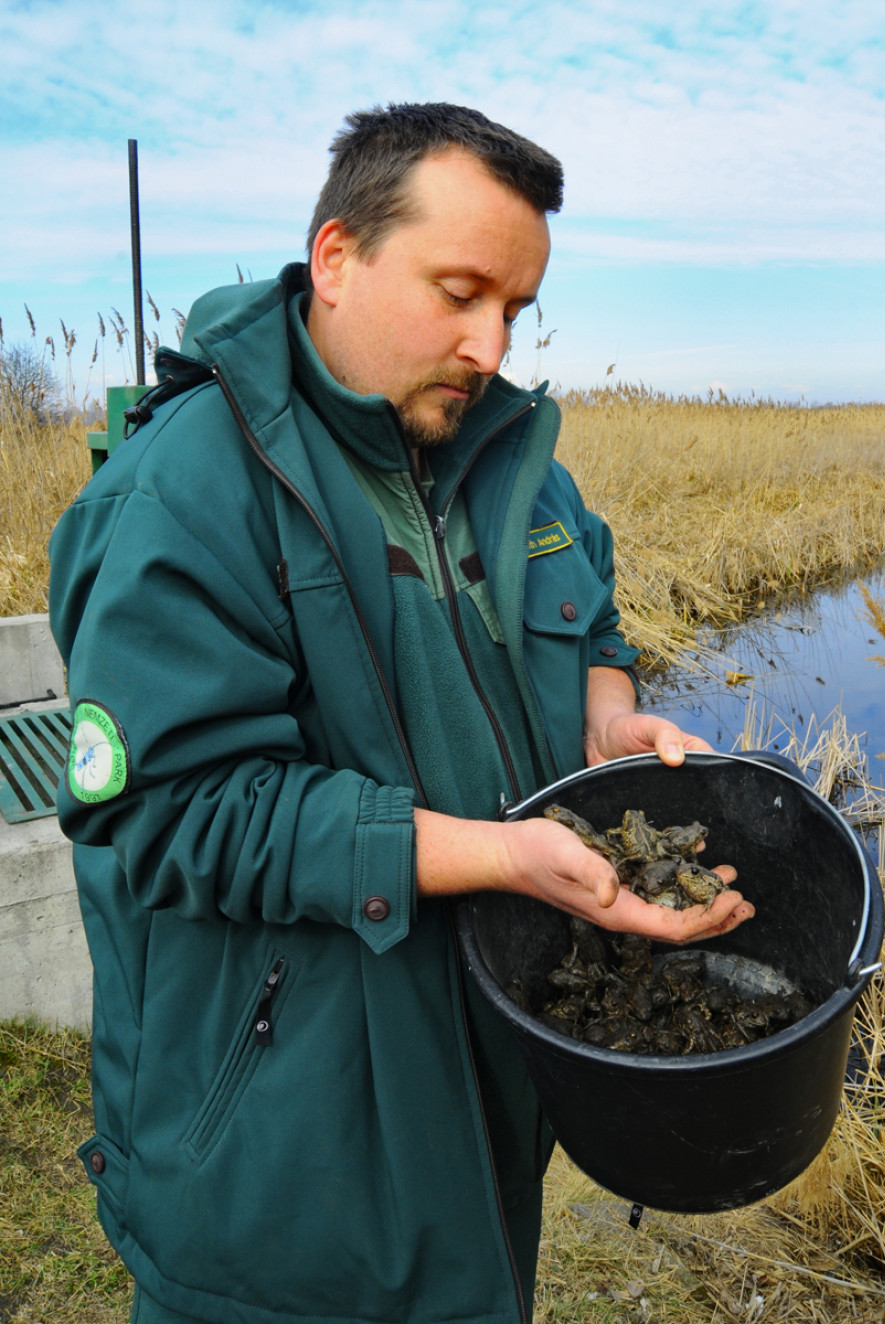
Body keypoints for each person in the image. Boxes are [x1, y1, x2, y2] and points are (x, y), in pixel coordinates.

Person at [48, 103, 754, 1324]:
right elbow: (174, 812)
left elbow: (584, 600)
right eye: (458, 292)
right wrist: (498, 855)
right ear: (336, 260)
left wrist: (606, 710)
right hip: (285, 1152)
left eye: (515, 311)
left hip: (482, 1093)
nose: (490, 347)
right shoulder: (188, 488)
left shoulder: (503, 451)